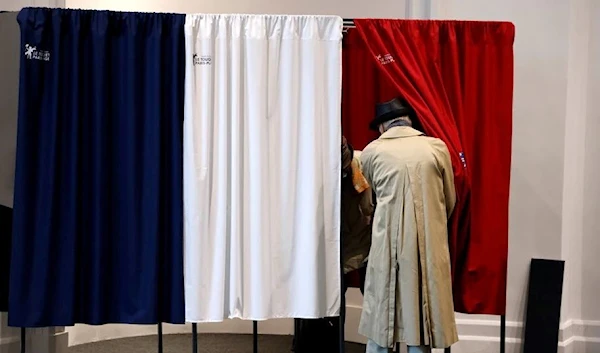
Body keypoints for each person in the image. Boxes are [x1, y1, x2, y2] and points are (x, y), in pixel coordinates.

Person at [359, 98, 458, 353]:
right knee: (420, 323)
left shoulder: (372, 152)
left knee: (382, 322)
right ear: (409, 121)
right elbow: (449, 200)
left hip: (386, 245)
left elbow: (368, 203)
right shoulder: (436, 148)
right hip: (428, 246)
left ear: (382, 127)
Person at [292, 136, 373, 353]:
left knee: (364, 293)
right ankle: (323, 343)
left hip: (358, 242)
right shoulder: (315, 173)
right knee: (329, 297)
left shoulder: (362, 164)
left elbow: (368, 209)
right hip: (331, 243)